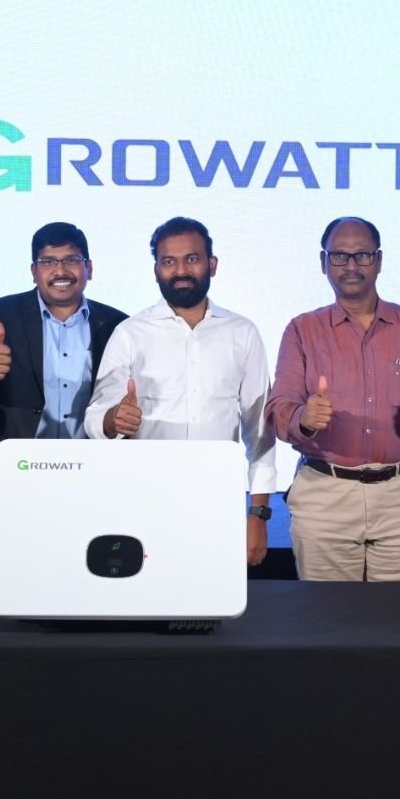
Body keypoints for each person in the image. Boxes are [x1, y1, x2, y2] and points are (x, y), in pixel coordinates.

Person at [265, 216, 400, 581]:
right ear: (323, 263)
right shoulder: (302, 330)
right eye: (339, 256)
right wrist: (303, 418)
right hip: (325, 498)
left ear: (378, 261)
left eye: (362, 255)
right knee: (327, 613)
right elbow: (277, 410)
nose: (351, 265)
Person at [83, 216, 275, 565]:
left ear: (212, 265)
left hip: (217, 504)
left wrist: (258, 514)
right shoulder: (130, 333)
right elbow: (95, 418)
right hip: (141, 504)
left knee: (211, 598)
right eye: (169, 261)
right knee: (142, 597)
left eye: (192, 259)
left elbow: (260, 431)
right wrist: (114, 419)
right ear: (156, 270)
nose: (181, 270)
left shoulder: (242, 333)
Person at [0, 222, 127, 544]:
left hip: (89, 478)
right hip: (12, 474)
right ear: (34, 271)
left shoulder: (117, 324)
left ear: (88, 268)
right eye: (48, 261)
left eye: (71, 260)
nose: (60, 270)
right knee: (6, 573)